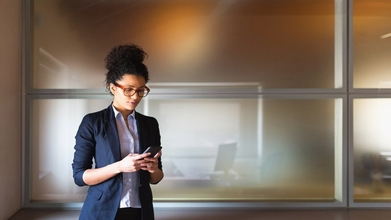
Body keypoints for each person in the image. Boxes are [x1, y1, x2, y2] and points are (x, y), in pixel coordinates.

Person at [72, 43, 164, 220]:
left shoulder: (150, 124)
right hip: (101, 211)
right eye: (128, 90)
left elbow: (156, 178)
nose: (135, 96)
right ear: (113, 87)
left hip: (141, 211)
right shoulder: (93, 122)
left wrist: (152, 168)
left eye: (141, 90)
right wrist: (120, 166)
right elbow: (79, 176)